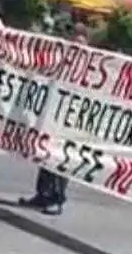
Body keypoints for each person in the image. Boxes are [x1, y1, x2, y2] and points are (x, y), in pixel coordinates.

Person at [18, 25, 86, 213]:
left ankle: (57, 198)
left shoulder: (88, 70)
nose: (74, 46)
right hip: (51, 115)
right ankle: (43, 193)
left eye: (79, 43)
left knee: (60, 159)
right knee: (44, 154)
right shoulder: (59, 62)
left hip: (69, 119)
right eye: (72, 41)